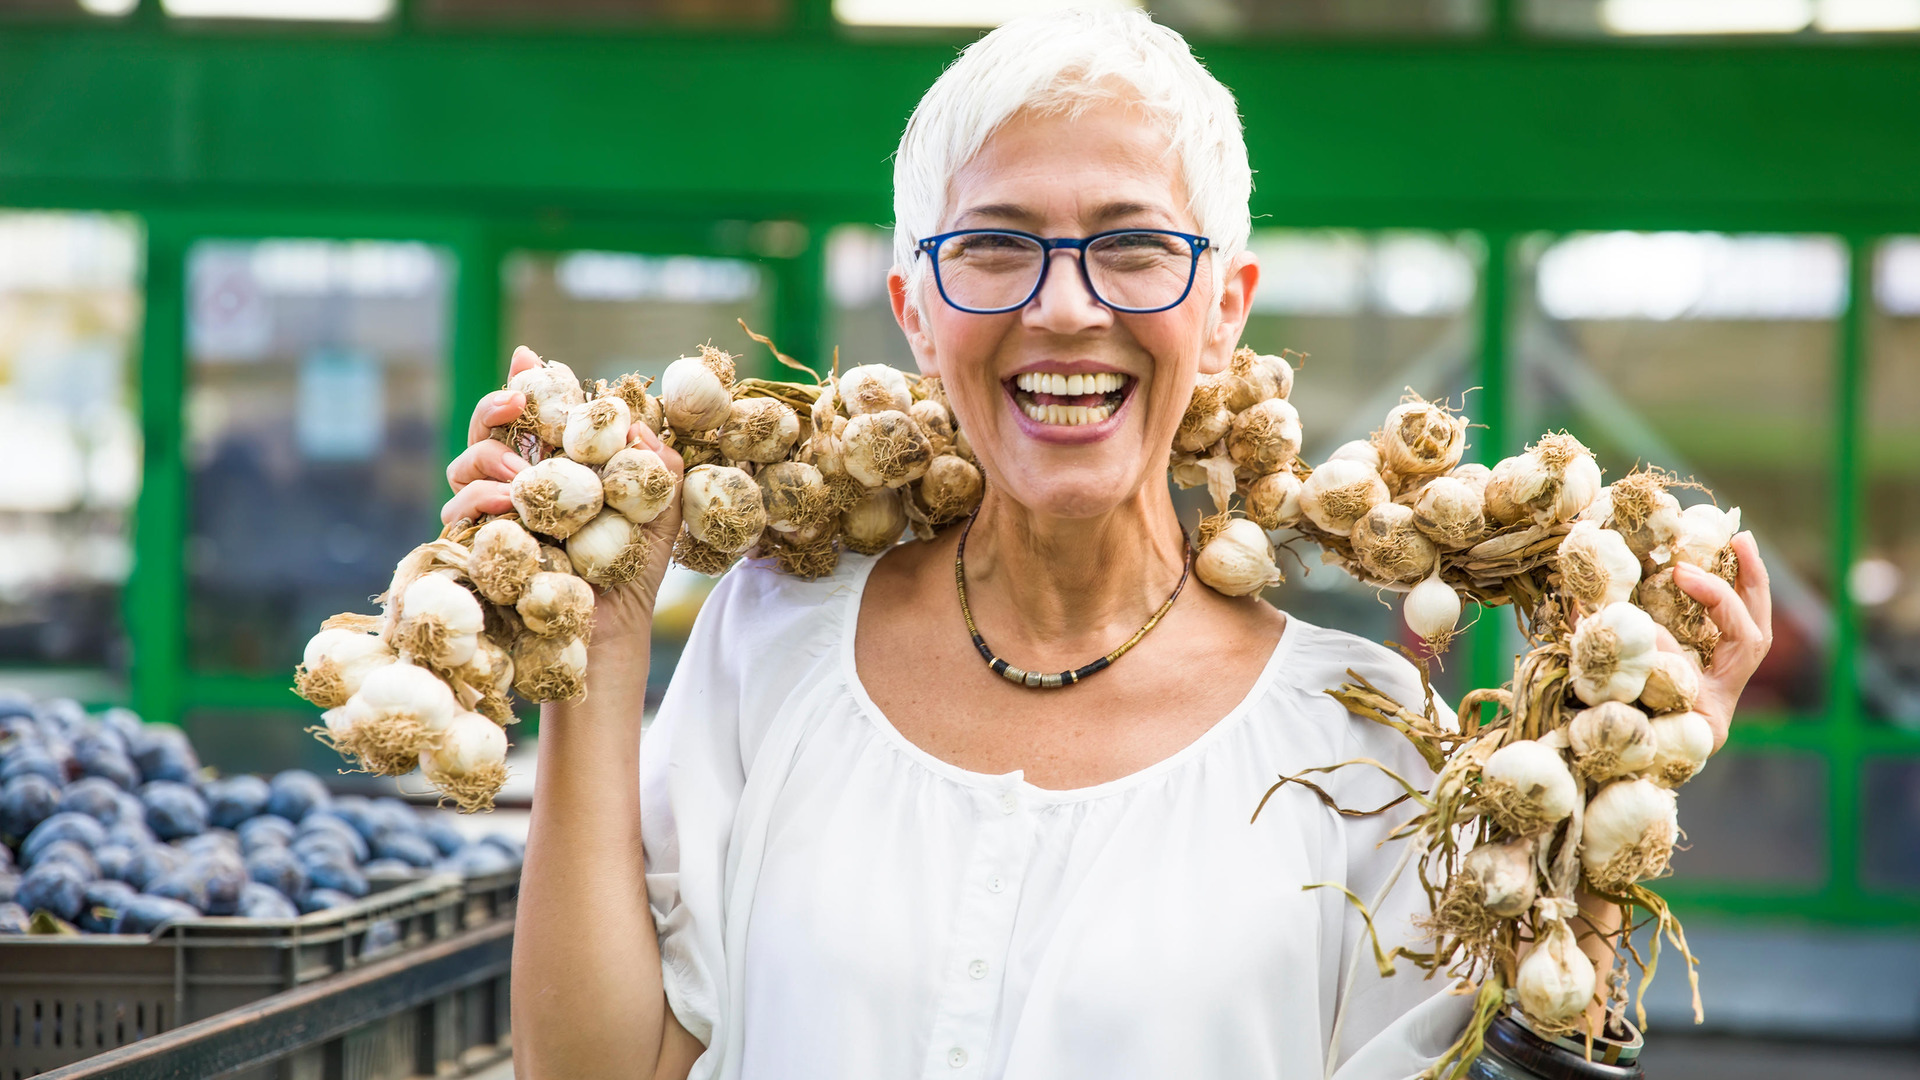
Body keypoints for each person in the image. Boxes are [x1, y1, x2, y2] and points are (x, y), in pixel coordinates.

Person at [439, 11, 1775, 1079]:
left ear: (1225, 311)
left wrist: (1599, 848)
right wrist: (597, 647)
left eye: (1134, 248)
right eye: (996, 248)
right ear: (917, 309)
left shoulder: (1360, 738)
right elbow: (597, 1070)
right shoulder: (772, 639)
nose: (1065, 308)